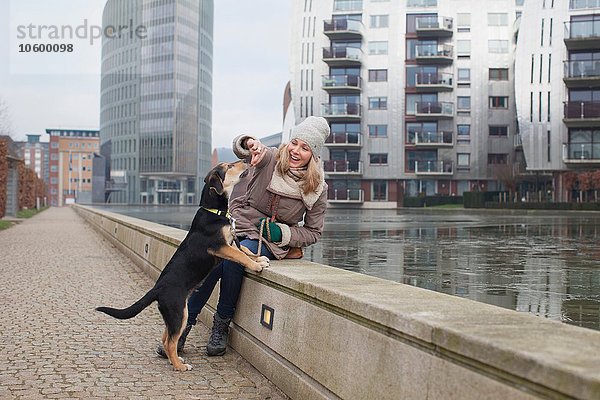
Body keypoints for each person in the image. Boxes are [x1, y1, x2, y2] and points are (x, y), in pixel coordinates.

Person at [157, 116, 330, 358]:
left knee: (232, 260)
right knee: (209, 263)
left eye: (305, 148)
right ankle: (184, 327)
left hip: (268, 239)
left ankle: (221, 323)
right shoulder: (271, 158)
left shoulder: (318, 188)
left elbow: (313, 232)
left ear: (314, 154)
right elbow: (244, 147)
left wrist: (283, 232)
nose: (296, 151)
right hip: (238, 221)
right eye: (295, 143)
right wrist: (250, 142)